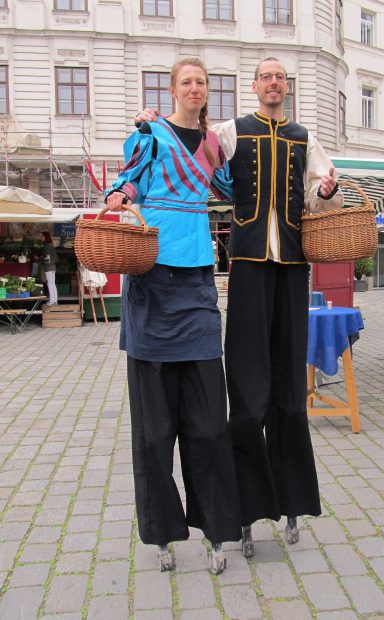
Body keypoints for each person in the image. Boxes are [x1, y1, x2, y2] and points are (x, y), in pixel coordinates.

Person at [135, 56, 343, 556]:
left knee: (289, 391)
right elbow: (191, 142)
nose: (273, 83)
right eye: (266, 77)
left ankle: (293, 501)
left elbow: (320, 196)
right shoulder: (230, 132)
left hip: (291, 266)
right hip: (248, 267)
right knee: (248, 392)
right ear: (254, 86)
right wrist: (151, 124)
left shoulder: (304, 138)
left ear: (286, 87)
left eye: (280, 77)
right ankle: (247, 508)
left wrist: (328, 190)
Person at [106, 57, 241, 575]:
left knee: (209, 425)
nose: (194, 88)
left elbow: (234, 191)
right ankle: (162, 534)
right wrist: (118, 195)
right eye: (186, 81)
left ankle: (217, 530)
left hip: (197, 282)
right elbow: (129, 182)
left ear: (207, 91)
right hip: (150, 277)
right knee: (154, 430)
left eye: (201, 82)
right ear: (173, 89)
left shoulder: (212, 145)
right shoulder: (151, 134)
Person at [41, 231, 58, 306]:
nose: (41, 238)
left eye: (42, 236)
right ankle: (55, 300)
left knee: (50, 284)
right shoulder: (50, 245)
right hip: (53, 266)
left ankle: (51, 300)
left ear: (45, 237)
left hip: (48, 267)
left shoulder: (46, 246)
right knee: (53, 284)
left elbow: (47, 258)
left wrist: (40, 258)